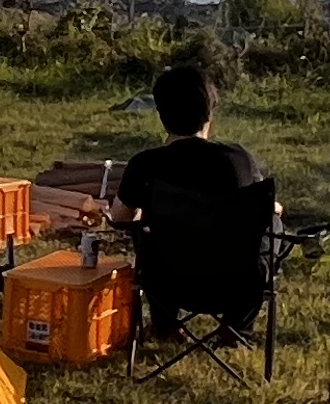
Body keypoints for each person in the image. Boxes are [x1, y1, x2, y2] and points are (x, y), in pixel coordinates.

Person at [113, 63, 273, 334]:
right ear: (209, 113)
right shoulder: (238, 159)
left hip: (168, 282)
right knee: (270, 226)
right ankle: (236, 329)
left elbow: (120, 218)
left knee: (147, 237)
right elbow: (261, 209)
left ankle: (165, 324)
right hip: (237, 284)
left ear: (161, 115)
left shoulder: (145, 165)